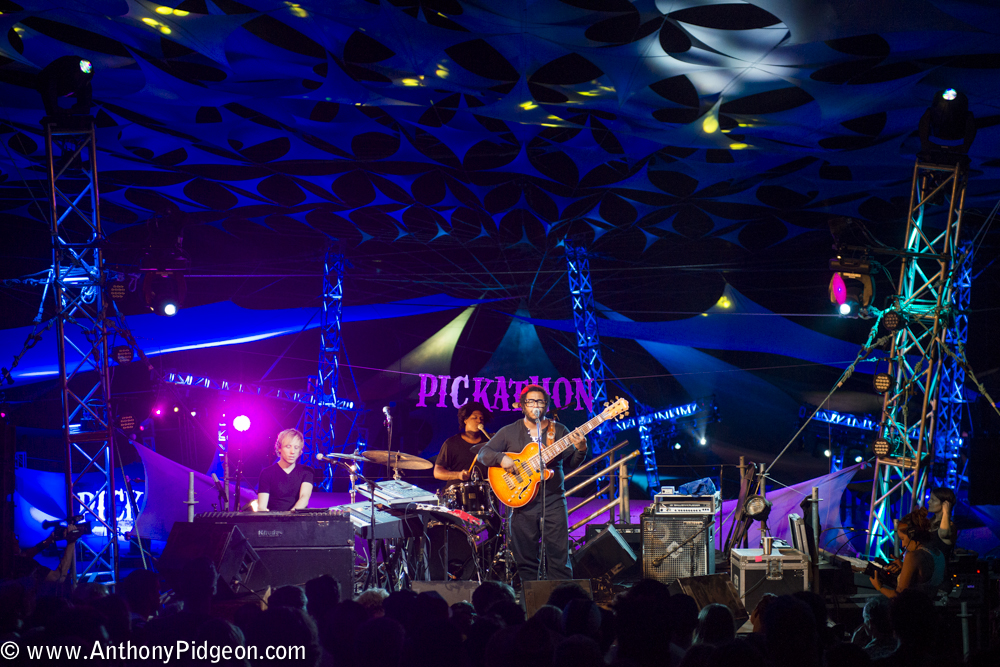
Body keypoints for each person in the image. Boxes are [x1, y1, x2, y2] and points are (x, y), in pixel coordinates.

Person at [477, 385, 587, 583]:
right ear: (522, 405)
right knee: (526, 558)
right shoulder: (509, 431)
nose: (535, 405)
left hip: (553, 499)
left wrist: (581, 448)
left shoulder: (559, 430)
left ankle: (561, 600)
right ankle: (532, 602)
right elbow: (483, 454)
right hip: (522, 501)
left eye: (540, 401)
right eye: (531, 401)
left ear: (546, 405)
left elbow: (571, 463)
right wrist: (502, 458)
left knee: (559, 556)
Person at [869, 508, 944, 598]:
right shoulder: (938, 553)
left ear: (912, 535)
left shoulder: (912, 557)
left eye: (903, 539)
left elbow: (899, 596)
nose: (903, 544)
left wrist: (879, 587)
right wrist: (904, 566)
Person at [434, 401, 490, 486]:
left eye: (481, 418)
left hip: (485, 492)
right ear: (465, 420)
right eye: (474, 418)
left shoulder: (490, 442)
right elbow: (437, 472)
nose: (479, 420)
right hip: (459, 493)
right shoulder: (451, 443)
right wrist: (458, 475)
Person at [257, 428, 313, 512]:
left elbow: (304, 498)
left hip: (297, 519)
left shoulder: (306, 471)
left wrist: (289, 517)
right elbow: (261, 507)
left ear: (300, 451)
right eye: (288, 446)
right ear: (279, 448)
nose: (292, 451)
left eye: (296, 447)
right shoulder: (267, 473)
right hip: (274, 520)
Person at [926, 487, 957, 556]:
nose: (928, 502)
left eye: (933, 500)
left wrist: (946, 512)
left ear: (945, 504)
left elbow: (944, 533)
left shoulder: (950, 526)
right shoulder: (929, 522)